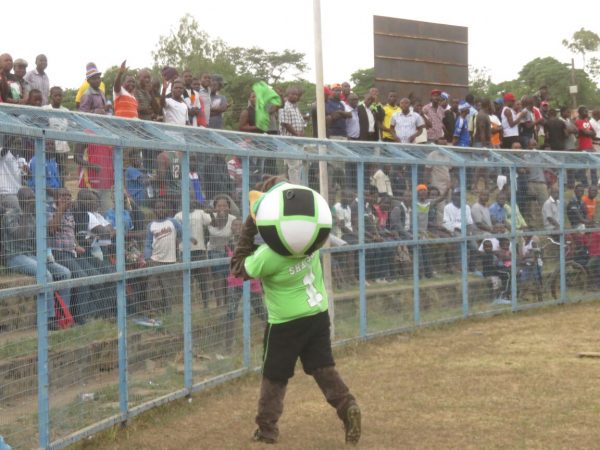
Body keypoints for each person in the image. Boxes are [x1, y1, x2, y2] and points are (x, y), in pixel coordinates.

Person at [230, 177, 361, 445]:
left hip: (285, 323)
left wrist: (252, 221)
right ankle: (347, 406)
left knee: (274, 377)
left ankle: (267, 430)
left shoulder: (269, 256)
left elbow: (238, 266)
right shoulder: (311, 240)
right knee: (324, 369)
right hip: (317, 315)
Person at [2, 187, 72, 328]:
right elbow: (19, 237)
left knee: (65, 273)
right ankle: (48, 318)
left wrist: (58, 213)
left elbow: (51, 232)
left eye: (32, 198)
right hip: (14, 256)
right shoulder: (11, 215)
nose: (31, 201)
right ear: (20, 200)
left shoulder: (36, 215)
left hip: (32, 255)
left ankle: (64, 315)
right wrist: (26, 214)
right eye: (28, 199)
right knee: (45, 275)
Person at [143, 199, 186, 315]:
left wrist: (178, 246)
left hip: (170, 260)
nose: (161, 210)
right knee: (153, 286)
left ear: (167, 209)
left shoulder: (173, 222)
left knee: (167, 287)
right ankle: (155, 312)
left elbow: (182, 234)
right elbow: (148, 243)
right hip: (155, 260)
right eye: (158, 208)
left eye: (163, 207)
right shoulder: (151, 225)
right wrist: (147, 257)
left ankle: (167, 311)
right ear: (154, 210)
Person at [175, 200, 214, 309]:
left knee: (203, 279)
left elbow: (212, 222)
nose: (189, 202)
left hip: (199, 249)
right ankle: (188, 306)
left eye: (191, 198)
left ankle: (205, 304)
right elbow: (177, 233)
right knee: (187, 280)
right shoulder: (178, 216)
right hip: (184, 251)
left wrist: (210, 212)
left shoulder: (200, 213)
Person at [208, 194, 237, 308]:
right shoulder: (209, 218)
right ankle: (219, 303)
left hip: (228, 251)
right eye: (219, 206)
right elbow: (218, 228)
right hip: (214, 250)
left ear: (229, 207)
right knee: (218, 276)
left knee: (228, 277)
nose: (222, 208)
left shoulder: (233, 219)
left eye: (225, 205)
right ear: (215, 207)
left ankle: (227, 302)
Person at [279, 86, 306, 184]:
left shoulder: (296, 108)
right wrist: (296, 134)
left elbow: (302, 123)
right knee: (293, 166)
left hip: (298, 142)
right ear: (287, 95)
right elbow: (285, 123)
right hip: (289, 142)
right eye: (292, 94)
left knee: (299, 165)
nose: (295, 96)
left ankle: (298, 184)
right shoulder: (285, 107)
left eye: (296, 95)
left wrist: (302, 133)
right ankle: (294, 186)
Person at [575, 106, 597, 186]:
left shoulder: (586, 120)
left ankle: (594, 184)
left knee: (594, 165)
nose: (587, 113)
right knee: (583, 167)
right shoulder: (578, 121)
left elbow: (593, 133)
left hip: (590, 146)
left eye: (587, 111)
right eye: (585, 111)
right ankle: (585, 184)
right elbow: (585, 132)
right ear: (580, 112)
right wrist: (588, 132)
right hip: (583, 147)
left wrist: (588, 132)